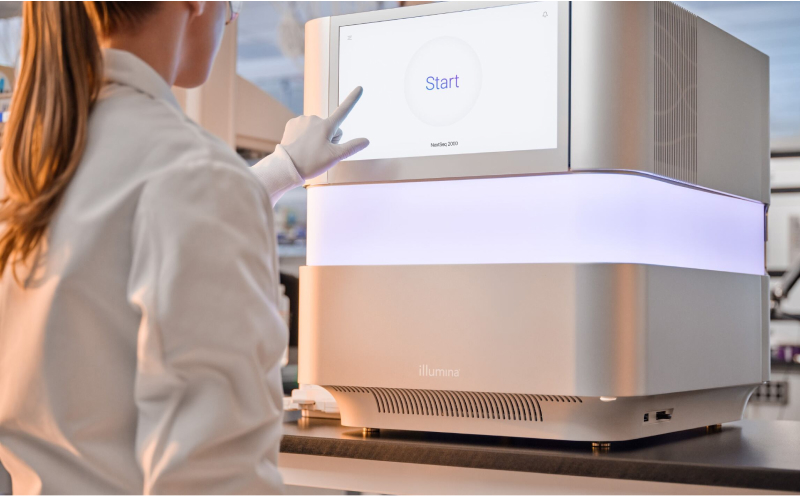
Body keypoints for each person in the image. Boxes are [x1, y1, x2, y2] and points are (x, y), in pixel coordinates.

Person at [0, 2, 368, 494]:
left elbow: (124, 222)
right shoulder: (195, 175)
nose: (231, 18)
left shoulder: (24, 168)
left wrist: (283, 169)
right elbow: (215, 481)